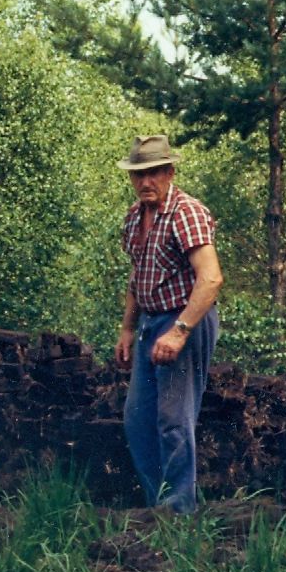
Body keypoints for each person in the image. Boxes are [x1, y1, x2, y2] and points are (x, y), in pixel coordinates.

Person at [112, 135, 223, 513]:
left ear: (170, 172)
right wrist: (127, 328)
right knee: (138, 420)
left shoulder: (185, 213)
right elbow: (137, 276)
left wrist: (179, 331)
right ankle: (155, 505)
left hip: (184, 320)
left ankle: (180, 511)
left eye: (155, 172)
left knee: (173, 419)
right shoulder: (134, 217)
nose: (147, 182)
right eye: (139, 174)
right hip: (149, 323)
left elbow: (210, 279)